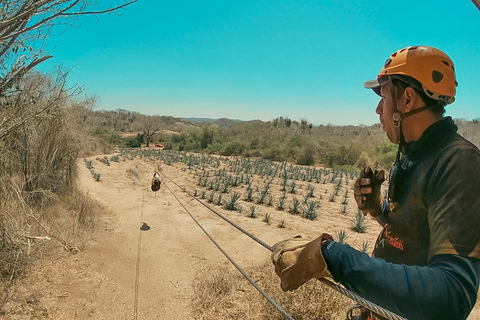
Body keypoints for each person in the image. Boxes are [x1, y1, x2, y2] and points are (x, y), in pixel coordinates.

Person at [271, 46, 480, 320]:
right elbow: (412, 235)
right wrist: (379, 210)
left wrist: (333, 257)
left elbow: (451, 297)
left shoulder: (458, 164)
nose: (378, 109)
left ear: (407, 100)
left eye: (383, 96)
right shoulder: (414, 154)